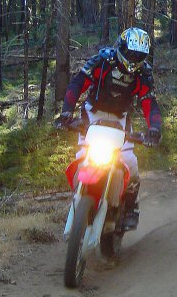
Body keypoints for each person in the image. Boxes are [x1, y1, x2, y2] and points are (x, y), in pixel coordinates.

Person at [58, 27, 162, 230]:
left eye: (139, 56)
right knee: (81, 157)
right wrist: (66, 113)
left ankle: (131, 208)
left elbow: (149, 102)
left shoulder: (143, 73)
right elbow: (78, 83)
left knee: (130, 163)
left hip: (120, 119)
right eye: (131, 54)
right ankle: (80, 200)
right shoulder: (102, 61)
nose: (133, 59)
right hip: (92, 114)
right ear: (121, 47)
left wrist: (154, 129)